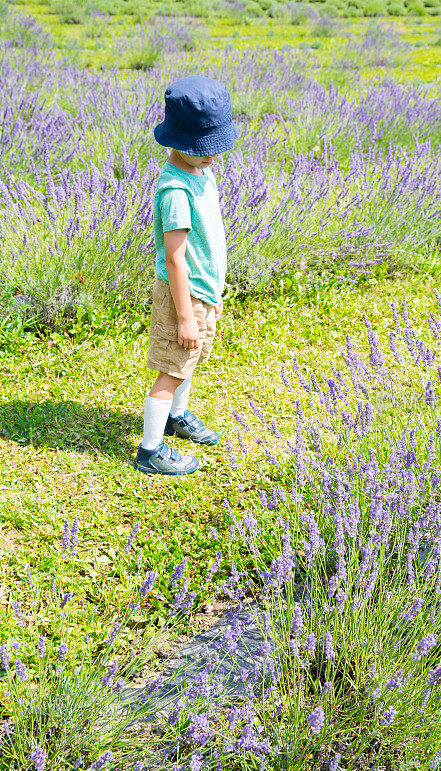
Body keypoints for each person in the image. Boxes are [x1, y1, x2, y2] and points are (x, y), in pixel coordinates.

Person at [134, 75, 238, 475]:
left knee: (189, 360)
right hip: (183, 295)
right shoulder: (175, 192)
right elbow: (176, 260)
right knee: (172, 367)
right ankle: (150, 449)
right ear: (180, 141)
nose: (213, 156)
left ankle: (177, 417)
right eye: (205, 149)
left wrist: (214, 295)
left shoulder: (201, 172)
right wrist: (184, 316)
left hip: (203, 291)